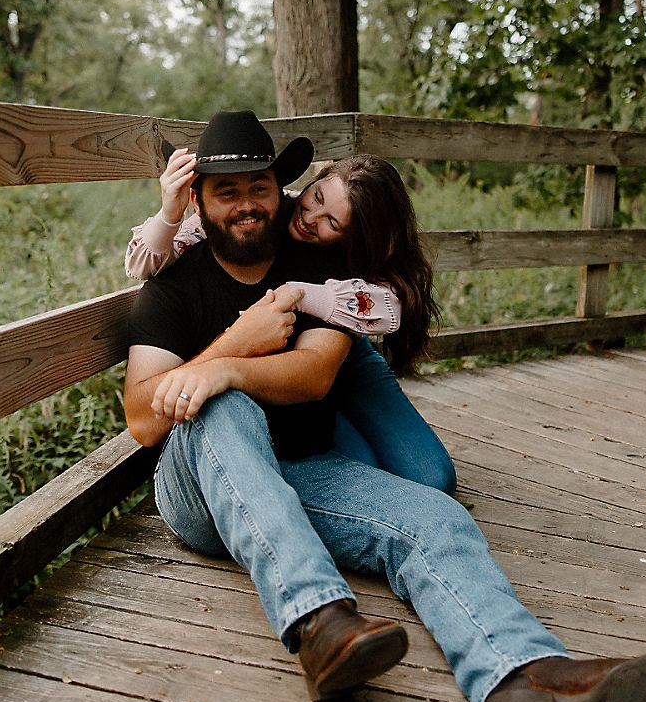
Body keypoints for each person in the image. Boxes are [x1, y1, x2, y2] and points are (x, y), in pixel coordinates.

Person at [124, 109, 646, 702]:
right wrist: (232, 351)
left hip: (300, 469)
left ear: (281, 190)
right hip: (199, 490)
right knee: (224, 404)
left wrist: (224, 367)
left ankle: (525, 679)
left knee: (435, 516)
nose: (247, 204)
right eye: (228, 191)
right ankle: (320, 622)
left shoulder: (321, 268)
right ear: (199, 200)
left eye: (260, 187)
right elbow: (143, 418)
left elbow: (313, 375)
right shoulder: (174, 284)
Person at [126, 145, 456, 495]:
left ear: (354, 237)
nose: (312, 218)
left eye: (332, 222)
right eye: (317, 198)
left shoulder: (352, 254)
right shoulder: (262, 210)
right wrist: (169, 213)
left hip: (345, 356)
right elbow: (142, 261)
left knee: (434, 477)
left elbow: (386, 309)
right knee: (365, 470)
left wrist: (295, 293)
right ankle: (338, 425)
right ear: (314, 181)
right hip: (295, 362)